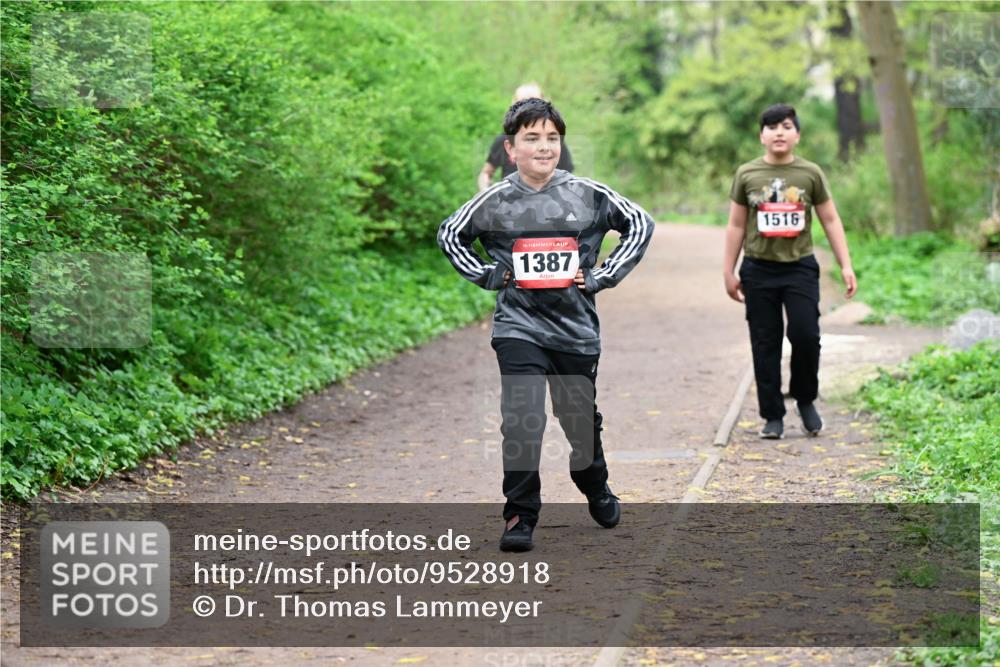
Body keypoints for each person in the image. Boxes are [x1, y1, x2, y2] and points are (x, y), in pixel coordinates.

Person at [439, 97, 654, 552]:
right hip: (518, 326)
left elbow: (639, 223)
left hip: (575, 330)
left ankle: (594, 482)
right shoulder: (494, 201)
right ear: (510, 148)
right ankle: (520, 515)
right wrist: (489, 275)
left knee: (577, 423)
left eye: (552, 138)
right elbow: (450, 235)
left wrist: (602, 275)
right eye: (532, 138)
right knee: (522, 418)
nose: (544, 147)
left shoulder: (588, 194)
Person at [723, 103, 858, 440]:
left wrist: (846, 265)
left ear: (797, 134)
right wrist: (729, 270)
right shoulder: (747, 174)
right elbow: (736, 224)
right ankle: (772, 415)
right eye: (771, 127)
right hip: (758, 270)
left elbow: (830, 219)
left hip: (799, 268)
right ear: (761, 135)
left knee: (806, 335)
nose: (778, 132)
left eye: (785, 126)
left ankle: (806, 399)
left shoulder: (810, 173)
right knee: (764, 342)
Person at [477, 83, 574, 192]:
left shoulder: (554, 144)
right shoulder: (503, 139)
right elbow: (486, 173)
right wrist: (486, 192)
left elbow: (567, 177)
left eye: (534, 101)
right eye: (522, 102)